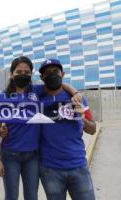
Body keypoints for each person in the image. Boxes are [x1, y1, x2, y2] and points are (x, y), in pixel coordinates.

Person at [0, 56, 82, 200]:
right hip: (10, 155)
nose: (23, 74)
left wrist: (74, 92)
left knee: (32, 196)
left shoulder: (36, 91)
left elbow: (58, 85)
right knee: (11, 196)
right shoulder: (2, 96)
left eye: (27, 72)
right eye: (19, 71)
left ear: (31, 74)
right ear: (11, 74)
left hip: (32, 156)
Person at [38, 58, 96, 200]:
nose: (52, 75)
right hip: (50, 169)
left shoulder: (78, 99)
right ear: (42, 77)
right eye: (47, 73)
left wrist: (82, 117)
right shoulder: (37, 101)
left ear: (62, 74)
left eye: (56, 71)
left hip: (78, 166)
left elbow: (92, 129)